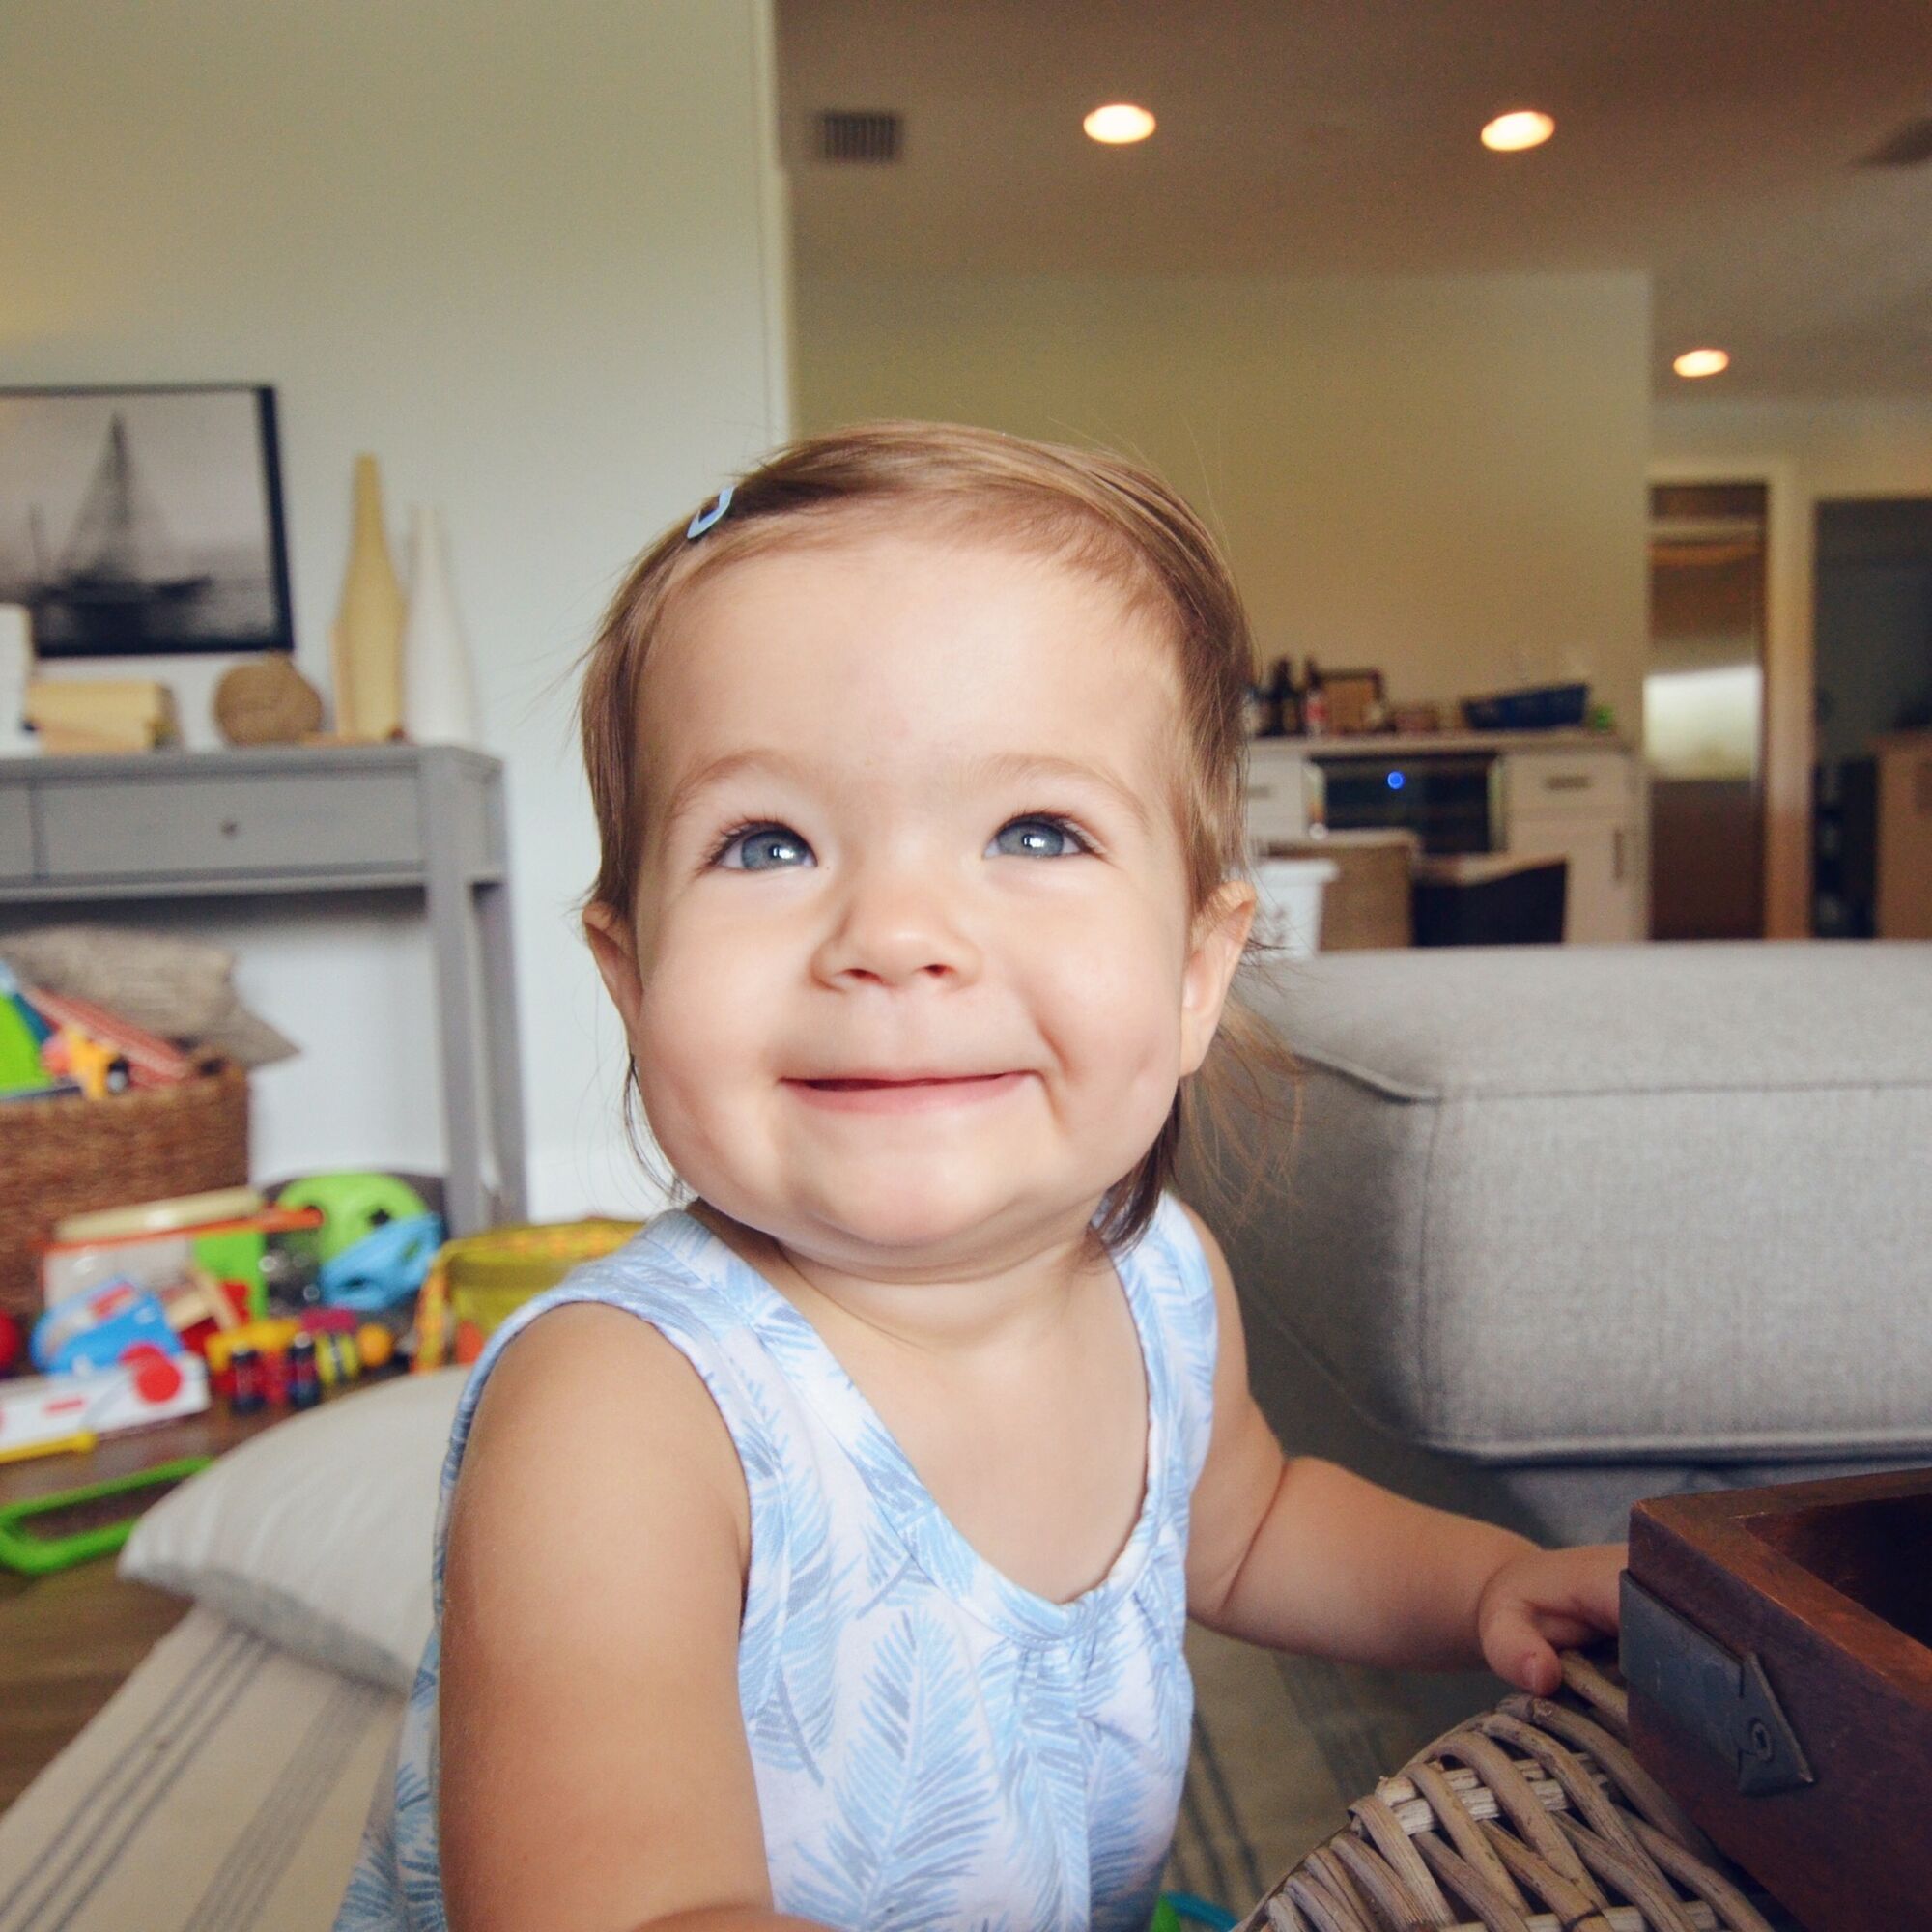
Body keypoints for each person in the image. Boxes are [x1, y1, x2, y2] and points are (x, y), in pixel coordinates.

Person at [336, 422, 1625, 1932]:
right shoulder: (622, 1415)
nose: (894, 931)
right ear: (629, 978)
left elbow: (1258, 1524)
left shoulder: (1162, 1284)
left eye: (1035, 829)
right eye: (765, 845)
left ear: (1201, 968)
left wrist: (1481, 1588)